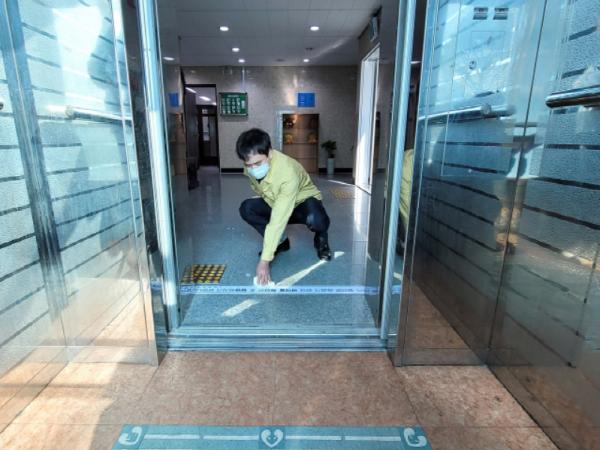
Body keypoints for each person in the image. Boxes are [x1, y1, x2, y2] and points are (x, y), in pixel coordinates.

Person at [237, 128, 332, 285]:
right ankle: (281, 242)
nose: (253, 169)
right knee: (247, 208)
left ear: (269, 152)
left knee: (317, 219)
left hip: (302, 203)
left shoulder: (287, 172)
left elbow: (278, 218)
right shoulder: (250, 168)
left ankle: (321, 238)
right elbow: (261, 188)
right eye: (249, 165)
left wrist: (264, 261)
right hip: (277, 201)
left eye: (258, 163)